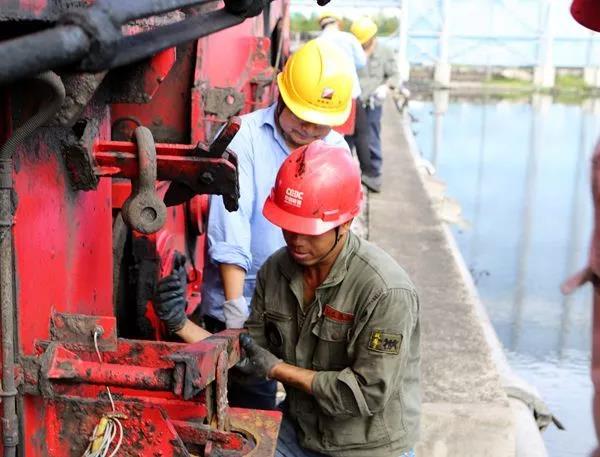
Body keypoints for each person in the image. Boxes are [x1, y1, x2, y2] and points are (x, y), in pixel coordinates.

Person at [153, 38, 355, 410]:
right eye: (302, 117)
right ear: (282, 94)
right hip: (246, 298)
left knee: (312, 404)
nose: (309, 130)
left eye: (320, 124)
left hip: (305, 303)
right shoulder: (242, 136)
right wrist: (235, 310)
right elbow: (231, 225)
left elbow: (337, 231)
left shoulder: (336, 151)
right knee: (247, 402)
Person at [239, 140, 421, 457]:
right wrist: (180, 326)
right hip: (301, 429)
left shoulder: (385, 291)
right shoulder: (276, 270)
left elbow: (365, 394)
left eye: (310, 231)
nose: (296, 240)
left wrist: (277, 370)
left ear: (345, 223)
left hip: (367, 447)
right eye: (288, 226)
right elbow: (253, 349)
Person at [350, 16, 402, 193]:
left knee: (371, 136)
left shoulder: (385, 51)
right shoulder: (352, 50)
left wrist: (386, 87)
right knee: (349, 137)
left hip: (373, 102)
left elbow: (395, 75)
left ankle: (373, 174)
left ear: (372, 37)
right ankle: (347, 172)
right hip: (354, 101)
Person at [317, 11, 367, 139]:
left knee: (329, 134)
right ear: (338, 23)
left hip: (326, 94)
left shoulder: (317, 42)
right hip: (350, 91)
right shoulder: (349, 38)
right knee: (356, 133)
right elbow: (361, 62)